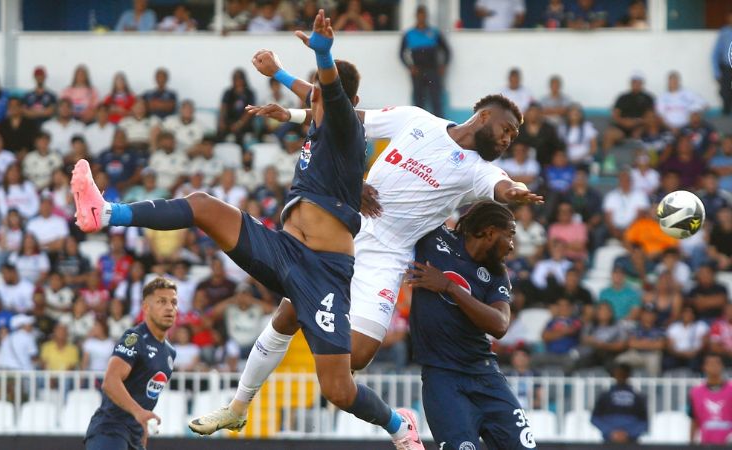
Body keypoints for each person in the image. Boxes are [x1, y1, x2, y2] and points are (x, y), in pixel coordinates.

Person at [73, 11, 425, 449]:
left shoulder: (346, 125)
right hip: (284, 251)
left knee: (338, 389)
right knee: (202, 205)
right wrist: (278, 72)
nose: (311, 102)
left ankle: (398, 424)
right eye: (313, 96)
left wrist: (323, 52)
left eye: (317, 96)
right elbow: (318, 93)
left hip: (323, 274)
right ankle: (106, 213)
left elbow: (330, 94)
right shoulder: (319, 122)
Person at [244, 46, 539, 377]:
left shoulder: (477, 170)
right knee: (285, 317)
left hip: (387, 256)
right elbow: (345, 115)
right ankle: (238, 404)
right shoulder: (417, 119)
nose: (508, 140)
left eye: (512, 136)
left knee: (358, 355)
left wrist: (517, 191)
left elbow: (503, 184)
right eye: (507, 129)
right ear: (484, 116)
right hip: (347, 231)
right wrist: (284, 86)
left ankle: (307, 309)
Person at [404, 201, 537, 449]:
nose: (512, 245)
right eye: (509, 235)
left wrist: (449, 287)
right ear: (489, 232)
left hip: (485, 374)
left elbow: (500, 324)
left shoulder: (497, 273)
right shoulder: (433, 238)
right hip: (442, 378)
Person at [84, 277, 178, 450]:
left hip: (134, 439)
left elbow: (147, 401)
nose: (169, 307)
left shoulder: (170, 353)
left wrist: (142, 440)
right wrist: (138, 412)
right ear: (146, 308)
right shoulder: (134, 338)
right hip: (110, 432)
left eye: (174, 302)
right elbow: (110, 382)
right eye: (162, 302)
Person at [399, 5, 450, 117]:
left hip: (433, 70)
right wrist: (410, 67)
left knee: (436, 100)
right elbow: (401, 54)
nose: (421, 17)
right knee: (419, 102)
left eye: (423, 15)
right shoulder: (409, 34)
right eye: (419, 15)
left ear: (426, 16)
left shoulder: (434, 33)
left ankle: (440, 126)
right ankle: (419, 126)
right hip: (418, 71)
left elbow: (446, 50)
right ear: (416, 16)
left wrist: (443, 65)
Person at [590, 363, 648, 443]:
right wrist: (611, 432)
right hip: (609, 442)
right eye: (618, 373)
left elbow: (644, 422)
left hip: (631, 442)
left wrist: (628, 433)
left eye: (623, 373)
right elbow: (595, 418)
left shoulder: (638, 397)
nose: (620, 376)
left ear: (628, 375)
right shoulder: (605, 396)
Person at [689, 354, 732, 444]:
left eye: (717, 363)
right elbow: (694, 419)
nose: (714, 366)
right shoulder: (695, 392)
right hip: (705, 443)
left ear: (722, 366)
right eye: (710, 363)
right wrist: (691, 443)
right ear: (704, 367)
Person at [712, 10, 732, 115]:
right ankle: (727, 115)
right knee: (725, 91)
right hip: (727, 68)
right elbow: (715, 54)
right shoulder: (724, 33)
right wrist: (716, 72)